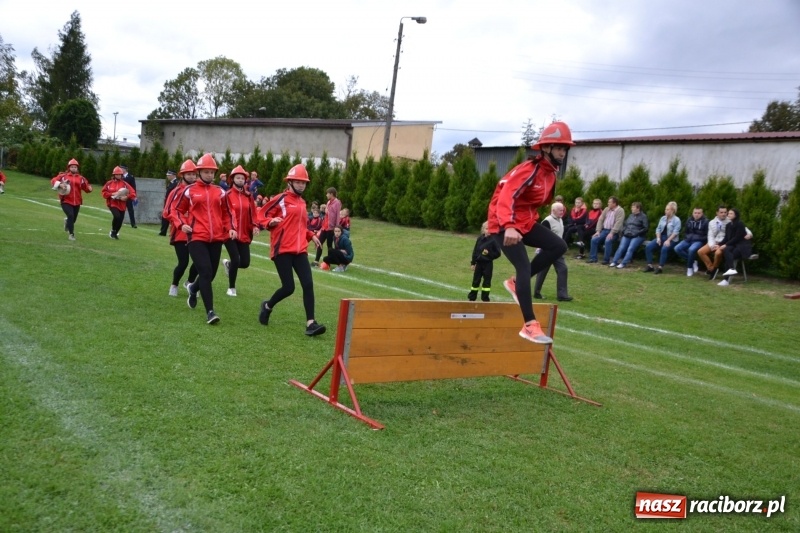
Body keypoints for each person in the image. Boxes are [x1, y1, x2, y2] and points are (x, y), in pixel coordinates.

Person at [488, 121, 574, 344]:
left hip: (524, 222)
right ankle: (529, 325)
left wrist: (528, 222)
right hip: (502, 221)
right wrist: (508, 225)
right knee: (524, 266)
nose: (562, 153)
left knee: (558, 246)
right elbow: (506, 196)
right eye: (559, 148)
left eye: (565, 148)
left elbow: (532, 203)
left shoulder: (550, 175)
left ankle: (516, 284)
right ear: (546, 148)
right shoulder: (529, 169)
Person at [257, 164, 326, 336]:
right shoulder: (281, 199)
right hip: (283, 250)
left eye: (304, 182)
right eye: (298, 182)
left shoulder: (302, 202)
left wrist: (311, 235)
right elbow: (260, 214)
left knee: (308, 284)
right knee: (288, 287)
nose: (302, 185)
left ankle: (311, 323)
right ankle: (267, 306)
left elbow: (301, 225)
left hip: (300, 250)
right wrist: (268, 223)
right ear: (290, 182)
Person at [176, 153, 236, 325]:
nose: (210, 175)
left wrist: (231, 228)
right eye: (206, 172)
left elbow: (227, 213)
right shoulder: (189, 191)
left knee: (210, 275)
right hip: (196, 237)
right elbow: (177, 210)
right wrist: (181, 224)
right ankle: (210, 312)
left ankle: (193, 288)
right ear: (199, 172)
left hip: (216, 237)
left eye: (212, 172)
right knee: (205, 271)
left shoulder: (221, 192)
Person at [222, 165, 260, 297]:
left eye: (242, 178)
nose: (240, 180)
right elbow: (224, 214)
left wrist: (255, 225)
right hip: (229, 233)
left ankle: (228, 264)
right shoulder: (227, 195)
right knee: (236, 259)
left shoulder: (248, 196)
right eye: (237, 177)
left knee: (245, 263)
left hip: (244, 232)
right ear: (232, 179)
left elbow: (253, 213)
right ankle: (231, 288)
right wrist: (230, 228)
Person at [163, 159, 199, 297]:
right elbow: (167, 212)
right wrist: (180, 220)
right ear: (182, 175)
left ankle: (189, 282)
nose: (192, 177)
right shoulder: (175, 191)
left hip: (197, 232)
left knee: (199, 262)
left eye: (194, 174)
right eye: (188, 174)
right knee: (183, 262)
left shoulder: (197, 191)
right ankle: (174, 284)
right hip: (180, 233)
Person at [532, 202, 573, 302]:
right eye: (560, 210)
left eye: (563, 210)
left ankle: (562, 295)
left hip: (558, 251)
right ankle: (537, 292)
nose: (562, 212)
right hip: (547, 250)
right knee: (542, 271)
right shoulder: (547, 221)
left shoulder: (560, 220)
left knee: (563, 269)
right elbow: (541, 237)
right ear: (553, 210)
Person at [50, 158, 93, 241]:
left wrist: (90, 189)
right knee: (70, 215)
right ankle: (71, 234)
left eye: (75, 167)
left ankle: (67, 222)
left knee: (73, 219)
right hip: (65, 200)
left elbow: (86, 187)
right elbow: (53, 180)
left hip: (77, 201)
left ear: (77, 168)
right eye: (72, 167)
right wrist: (60, 185)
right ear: (69, 167)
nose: (74, 168)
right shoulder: (63, 176)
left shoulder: (81, 178)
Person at [643, 201, 682, 274]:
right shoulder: (663, 218)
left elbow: (675, 232)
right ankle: (650, 266)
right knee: (648, 247)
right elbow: (658, 229)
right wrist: (658, 238)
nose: (665, 211)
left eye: (667, 209)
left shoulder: (677, 220)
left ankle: (660, 267)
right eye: (665, 209)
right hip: (662, 237)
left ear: (672, 210)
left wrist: (668, 240)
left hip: (672, 239)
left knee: (664, 248)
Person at [717, 208, 752, 286]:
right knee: (727, 251)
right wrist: (719, 244)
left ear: (736, 215)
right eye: (728, 213)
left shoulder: (740, 224)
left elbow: (737, 238)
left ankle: (726, 279)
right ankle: (731, 270)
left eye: (731, 213)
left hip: (742, 246)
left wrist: (726, 245)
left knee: (729, 254)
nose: (728, 215)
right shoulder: (728, 225)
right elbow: (726, 238)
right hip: (733, 245)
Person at [468, 221, 501, 301]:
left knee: (486, 282)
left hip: (488, 264)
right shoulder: (479, 239)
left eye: (490, 229)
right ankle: (472, 297)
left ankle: (485, 298)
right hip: (479, 263)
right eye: (486, 229)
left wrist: (489, 253)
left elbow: (498, 253)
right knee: (476, 281)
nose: (488, 231)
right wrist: (473, 263)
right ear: (483, 230)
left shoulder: (494, 240)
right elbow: (475, 251)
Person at [101, 166, 137, 240]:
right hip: (112, 203)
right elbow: (104, 193)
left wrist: (126, 197)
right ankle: (113, 231)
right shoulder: (109, 183)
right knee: (117, 216)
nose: (118, 176)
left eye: (120, 174)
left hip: (122, 205)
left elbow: (133, 193)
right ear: (114, 175)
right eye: (117, 174)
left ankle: (115, 233)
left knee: (120, 220)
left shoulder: (125, 184)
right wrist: (112, 194)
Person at [609, 202, 649, 268]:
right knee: (621, 248)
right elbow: (625, 224)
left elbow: (645, 228)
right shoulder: (631, 216)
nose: (631, 209)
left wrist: (637, 233)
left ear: (638, 208)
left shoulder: (643, 217)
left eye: (633, 207)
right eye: (632, 207)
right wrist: (624, 231)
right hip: (627, 234)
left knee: (630, 248)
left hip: (638, 236)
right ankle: (614, 261)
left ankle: (623, 263)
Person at [588, 196, 624, 264]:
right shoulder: (606, 209)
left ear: (614, 203)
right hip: (604, 230)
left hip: (614, 232)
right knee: (594, 239)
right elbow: (600, 219)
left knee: (608, 241)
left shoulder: (620, 210)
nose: (608, 203)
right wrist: (598, 231)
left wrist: (612, 233)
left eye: (609, 202)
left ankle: (606, 260)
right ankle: (593, 258)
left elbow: (618, 222)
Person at [673, 207, 708, 277]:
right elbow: (686, 231)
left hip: (699, 241)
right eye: (695, 213)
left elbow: (707, 235)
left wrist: (700, 239)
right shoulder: (689, 220)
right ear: (692, 213)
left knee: (691, 249)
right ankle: (693, 261)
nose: (696, 215)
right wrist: (687, 237)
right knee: (677, 248)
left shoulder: (706, 221)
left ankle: (689, 268)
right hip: (688, 239)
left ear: (702, 213)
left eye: (699, 213)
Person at [698, 205, 730, 279]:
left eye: (725, 212)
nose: (723, 214)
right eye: (721, 212)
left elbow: (742, 228)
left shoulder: (730, 221)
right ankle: (711, 268)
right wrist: (712, 245)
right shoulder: (712, 222)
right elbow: (710, 235)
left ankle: (714, 269)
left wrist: (749, 234)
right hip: (714, 242)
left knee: (718, 253)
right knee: (701, 252)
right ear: (717, 213)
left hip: (723, 243)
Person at [313, 187, 341, 266]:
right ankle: (316, 261)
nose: (326, 195)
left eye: (327, 193)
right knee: (319, 242)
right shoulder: (328, 202)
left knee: (329, 245)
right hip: (325, 227)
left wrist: (336, 227)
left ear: (331, 194)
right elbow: (327, 214)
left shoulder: (337, 203)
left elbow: (337, 215)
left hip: (331, 228)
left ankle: (328, 262)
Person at [159, 170, 179, 236]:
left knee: (170, 217)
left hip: (172, 203)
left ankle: (167, 232)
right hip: (168, 202)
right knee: (165, 216)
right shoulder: (171, 183)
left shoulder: (176, 183)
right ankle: (163, 231)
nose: (168, 177)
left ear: (173, 175)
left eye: (169, 175)